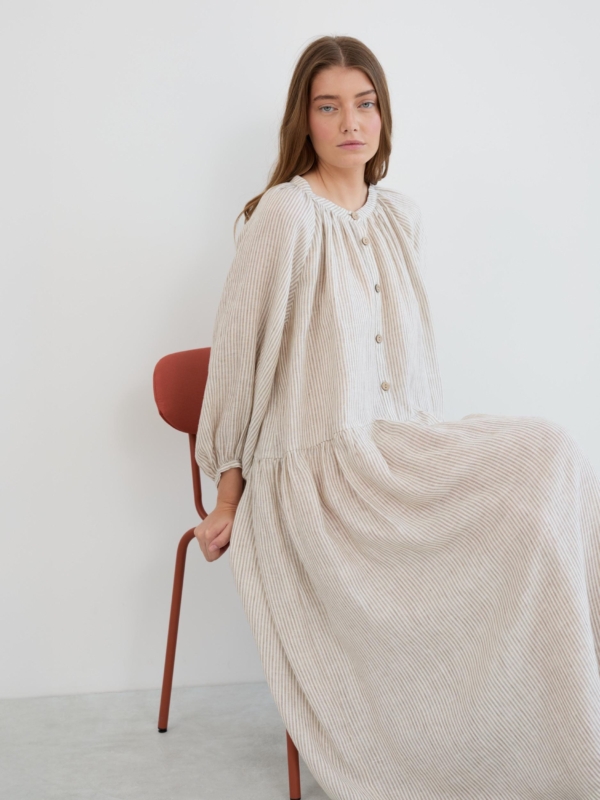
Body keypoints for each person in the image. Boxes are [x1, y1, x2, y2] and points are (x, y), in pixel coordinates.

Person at [193, 34, 600, 800]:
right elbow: (237, 360)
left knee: (552, 459)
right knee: (533, 489)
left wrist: (433, 457)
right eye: (329, 107)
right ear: (305, 121)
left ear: (383, 115)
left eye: (365, 103)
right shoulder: (284, 215)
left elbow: (411, 371)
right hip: (320, 474)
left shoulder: (399, 217)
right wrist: (225, 492)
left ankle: (557, 715)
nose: (351, 122)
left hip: (397, 449)